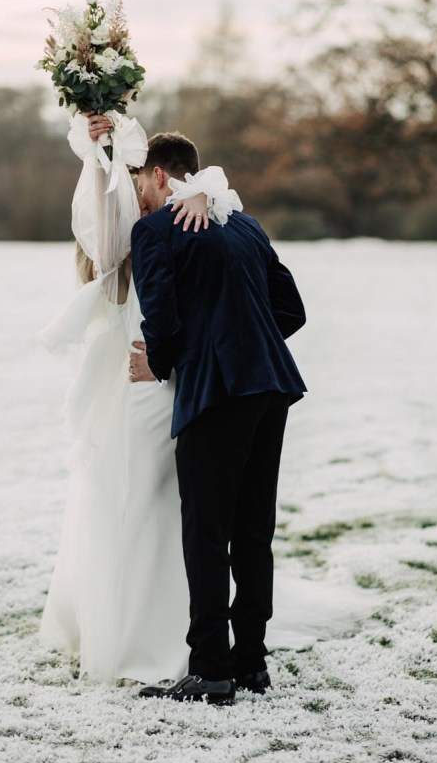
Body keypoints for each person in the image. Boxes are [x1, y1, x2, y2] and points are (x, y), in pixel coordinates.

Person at [39, 112, 241, 684]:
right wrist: (98, 150)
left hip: (165, 372)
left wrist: (199, 193)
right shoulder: (124, 229)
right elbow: (112, 240)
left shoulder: (177, 214)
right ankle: (125, 625)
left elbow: (212, 184)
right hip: (137, 372)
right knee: (124, 490)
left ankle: (179, 629)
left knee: (164, 494)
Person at [130, 133, 306, 706]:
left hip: (218, 394)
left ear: (159, 175)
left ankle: (209, 669)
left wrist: (157, 364)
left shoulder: (155, 232)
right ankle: (251, 663)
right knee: (253, 530)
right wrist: (244, 341)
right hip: (272, 386)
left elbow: (162, 323)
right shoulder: (246, 224)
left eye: (140, 184)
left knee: (205, 532)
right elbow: (291, 310)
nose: (140, 198)